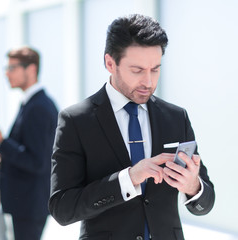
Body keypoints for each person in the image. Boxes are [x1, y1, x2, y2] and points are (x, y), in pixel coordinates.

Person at [48, 14, 215, 240]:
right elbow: (63, 209)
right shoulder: (76, 120)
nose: (148, 81)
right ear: (110, 63)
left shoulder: (176, 117)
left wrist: (193, 186)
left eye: (155, 69)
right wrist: (129, 178)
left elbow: (206, 203)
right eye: (137, 70)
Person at [0, 46, 58, 240]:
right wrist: (3, 155)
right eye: (6, 68)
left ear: (31, 69)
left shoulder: (39, 107)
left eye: (12, 68)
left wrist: (1, 141)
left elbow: (37, 161)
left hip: (30, 205)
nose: (6, 73)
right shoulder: (30, 104)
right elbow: (26, 150)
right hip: (26, 204)